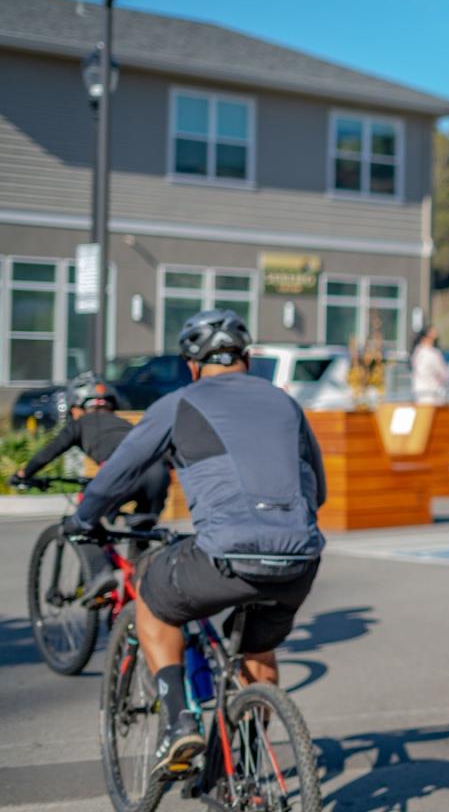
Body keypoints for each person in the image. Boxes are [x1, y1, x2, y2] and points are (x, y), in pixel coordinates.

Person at [62, 309, 325, 779]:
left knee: (151, 596)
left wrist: (82, 519)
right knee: (258, 653)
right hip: (299, 561)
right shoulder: (286, 404)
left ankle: (179, 724)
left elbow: (120, 471)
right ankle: (242, 767)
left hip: (227, 557)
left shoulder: (180, 402)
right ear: (247, 359)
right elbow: (317, 491)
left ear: (192, 365)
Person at [9, 372, 172, 599]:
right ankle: (136, 589)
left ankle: (99, 573)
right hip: (158, 475)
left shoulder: (80, 423)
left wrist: (23, 474)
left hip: (121, 475)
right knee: (141, 533)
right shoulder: (125, 424)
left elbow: (50, 451)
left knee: (79, 524)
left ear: (77, 408)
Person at [409, 324, 449, 405]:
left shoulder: (417, 352)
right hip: (433, 395)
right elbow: (444, 374)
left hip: (419, 393)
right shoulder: (433, 353)